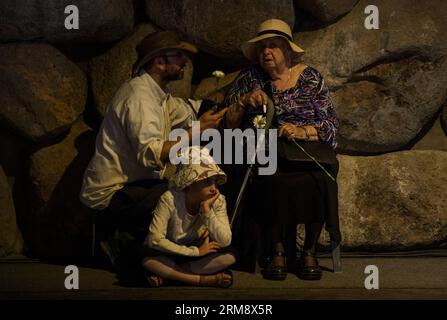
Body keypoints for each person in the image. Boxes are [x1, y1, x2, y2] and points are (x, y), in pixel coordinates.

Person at [80, 31, 227, 264]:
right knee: (179, 193)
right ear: (159, 62)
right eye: (178, 56)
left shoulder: (157, 93)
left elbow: (186, 110)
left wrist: (224, 100)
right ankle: (128, 244)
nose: (184, 61)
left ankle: (172, 252)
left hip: (137, 186)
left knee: (185, 186)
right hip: (114, 192)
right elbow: (150, 154)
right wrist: (198, 129)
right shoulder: (139, 96)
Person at [223, 19, 341, 280]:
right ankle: (278, 250)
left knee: (321, 179)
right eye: (262, 47)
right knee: (270, 175)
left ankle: (308, 249)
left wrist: (302, 131)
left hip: (308, 151)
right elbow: (227, 124)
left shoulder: (310, 77)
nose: (266, 51)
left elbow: (331, 125)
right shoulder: (250, 78)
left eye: (273, 46)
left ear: (288, 50)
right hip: (268, 150)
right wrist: (243, 101)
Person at [140, 147, 236, 288]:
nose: (214, 188)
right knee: (146, 258)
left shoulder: (218, 200)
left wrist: (207, 212)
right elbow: (155, 240)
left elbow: (224, 240)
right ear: (190, 184)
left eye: (214, 181)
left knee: (230, 255)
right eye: (206, 182)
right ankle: (199, 280)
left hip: (194, 254)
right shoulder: (170, 199)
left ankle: (170, 276)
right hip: (169, 251)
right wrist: (195, 252)